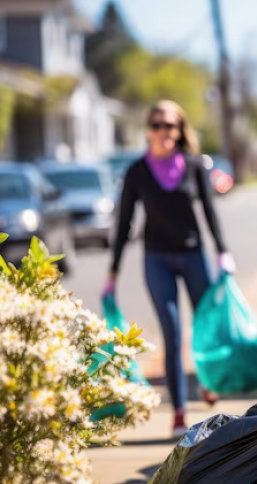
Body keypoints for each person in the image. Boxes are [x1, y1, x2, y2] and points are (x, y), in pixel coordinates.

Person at [103, 100, 236, 438]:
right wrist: (113, 271)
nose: (164, 131)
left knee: (205, 327)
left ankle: (206, 380)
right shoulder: (136, 171)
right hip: (156, 259)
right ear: (148, 129)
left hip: (193, 256)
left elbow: (209, 211)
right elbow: (124, 222)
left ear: (179, 131)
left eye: (171, 125)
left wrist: (222, 252)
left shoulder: (193, 166)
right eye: (158, 125)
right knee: (173, 334)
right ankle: (178, 413)